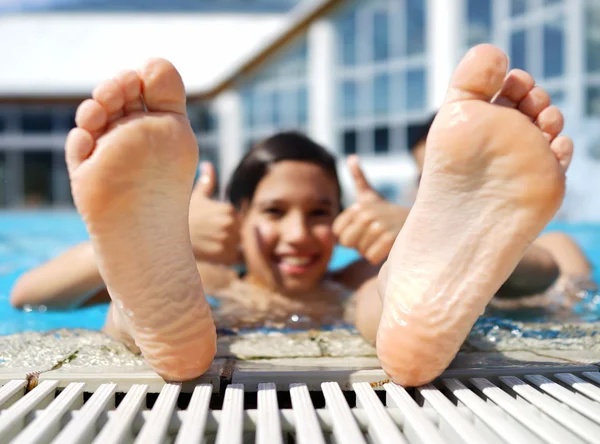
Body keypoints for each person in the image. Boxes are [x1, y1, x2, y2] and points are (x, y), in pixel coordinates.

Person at [12, 44, 574, 387]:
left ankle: (420, 298)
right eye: (275, 211)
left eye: (320, 212)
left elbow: (557, 270)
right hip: (202, 300)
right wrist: (175, 234)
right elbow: (32, 295)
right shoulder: (206, 275)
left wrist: (409, 234)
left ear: (343, 216)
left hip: (328, 306)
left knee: (382, 293)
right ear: (235, 214)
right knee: (133, 306)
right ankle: (146, 298)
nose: (299, 234)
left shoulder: (352, 276)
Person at [408, 113, 593, 301]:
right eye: (427, 181)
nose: (441, 191)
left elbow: (575, 306)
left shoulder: (556, 245)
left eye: (457, 176)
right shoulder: (409, 256)